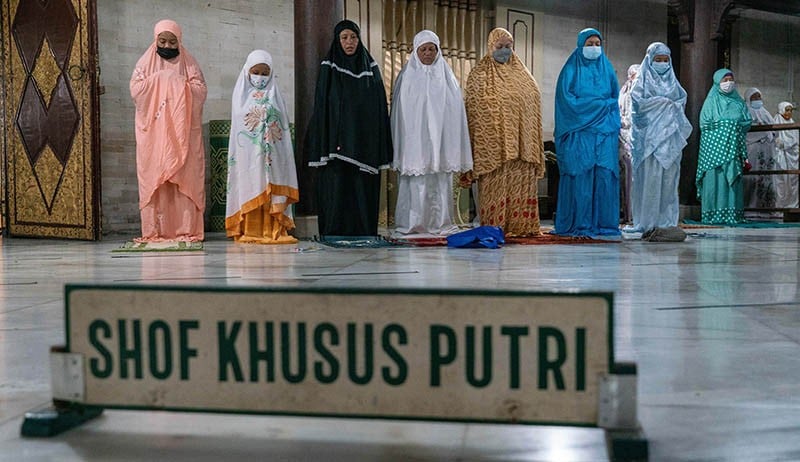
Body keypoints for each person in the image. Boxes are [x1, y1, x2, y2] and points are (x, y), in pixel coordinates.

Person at [305, 20, 392, 237]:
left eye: (353, 37)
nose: (349, 42)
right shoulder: (329, 67)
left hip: (364, 145)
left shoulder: (370, 69)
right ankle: (334, 232)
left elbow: (379, 106)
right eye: (344, 38)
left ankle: (364, 232)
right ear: (338, 40)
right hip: (335, 147)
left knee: (362, 190)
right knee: (337, 188)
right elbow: (323, 106)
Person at [462, 28, 545, 237]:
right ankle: (494, 228)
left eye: (508, 47)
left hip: (523, 151)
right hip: (493, 151)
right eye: (499, 46)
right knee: (494, 189)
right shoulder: (479, 75)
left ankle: (522, 227)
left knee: (521, 186)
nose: (504, 51)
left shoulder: (525, 76)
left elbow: (533, 108)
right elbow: (475, 111)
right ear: (490, 46)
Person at [130, 19, 207, 242]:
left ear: (179, 41)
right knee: (156, 179)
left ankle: (186, 229)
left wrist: (175, 82)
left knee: (184, 178)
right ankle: (155, 231)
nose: (167, 45)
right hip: (154, 137)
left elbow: (200, 91)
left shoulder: (189, 63)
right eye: (162, 41)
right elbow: (136, 90)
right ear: (155, 40)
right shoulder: (145, 63)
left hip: (184, 135)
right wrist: (163, 79)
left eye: (172, 42)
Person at [390, 30, 472, 236]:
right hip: (413, 142)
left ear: (438, 51)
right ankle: (412, 224)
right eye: (423, 49)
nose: (427, 53)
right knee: (415, 182)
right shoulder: (406, 77)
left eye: (431, 49)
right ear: (416, 51)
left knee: (439, 182)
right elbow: (399, 114)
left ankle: (440, 224)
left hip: (441, 142)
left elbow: (455, 113)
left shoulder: (448, 78)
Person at [226, 50, 299, 244]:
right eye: (256, 72)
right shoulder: (240, 97)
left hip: (272, 156)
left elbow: (282, 128)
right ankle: (250, 229)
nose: (260, 77)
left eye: (265, 73)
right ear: (247, 72)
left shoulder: (276, 97)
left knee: (272, 188)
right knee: (251, 184)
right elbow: (241, 125)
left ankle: (274, 228)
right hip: (249, 156)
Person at [553, 28, 621, 237]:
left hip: (605, 134)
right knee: (580, 176)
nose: (594, 48)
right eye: (590, 44)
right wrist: (598, 105)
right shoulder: (570, 69)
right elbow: (567, 101)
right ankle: (580, 223)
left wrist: (595, 106)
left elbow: (614, 99)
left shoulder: (607, 69)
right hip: (579, 133)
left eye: (597, 44)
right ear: (581, 45)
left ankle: (605, 224)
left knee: (604, 177)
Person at [627, 42, 692, 237]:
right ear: (649, 60)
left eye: (665, 60)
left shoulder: (675, 85)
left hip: (669, 142)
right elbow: (638, 107)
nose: (662, 63)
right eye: (658, 59)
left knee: (669, 182)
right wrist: (663, 103)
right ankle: (647, 222)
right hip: (649, 142)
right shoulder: (641, 84)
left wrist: (668, 106)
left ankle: (666, 223)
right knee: (649, 181)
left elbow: (680, 103)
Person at [696, 69, 752, 224]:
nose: (728, 83)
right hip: (713, 149)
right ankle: (712, 214)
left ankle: (733, 214)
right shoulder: (711, 101)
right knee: (715, 179)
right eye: (724, 80)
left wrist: (731, 126)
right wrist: (727, 126)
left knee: (732, 180)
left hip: (733, 147)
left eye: (730, 79)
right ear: (717, 82)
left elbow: (747, 121)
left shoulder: (739, 102)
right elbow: (704, 124)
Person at [743, 88, 777, 217]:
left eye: (759, 97)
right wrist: (763, 133)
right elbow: (745, 132)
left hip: (767, 149)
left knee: (766, 177)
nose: (758, 99)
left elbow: (774, 130)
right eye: (754, 97)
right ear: (748, 98)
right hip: (753, 149)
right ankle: (750, 208)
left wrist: (768, 134)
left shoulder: (765, 112)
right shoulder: (745, 112)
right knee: (752, 177)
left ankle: (766, 209)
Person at [618, 64, 640, 225]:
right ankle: (628, 214)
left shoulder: (642, 91)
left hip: (639, 138)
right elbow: (620, 112)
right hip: (624, 137)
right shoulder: (624, 91)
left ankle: (639, 214)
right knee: (627, 179)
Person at [773, 102, 799, 209]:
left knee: (793, 181)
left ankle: (792, 205)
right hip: (781, 156)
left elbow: (796, 141)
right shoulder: (776, 121)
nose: (789, 113)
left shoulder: (792, 123)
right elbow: (775, 139)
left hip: (792, 157)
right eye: (787, 110)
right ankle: (780, 206)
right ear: (781, 110)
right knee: (781, 181)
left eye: (791, 110)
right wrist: (781, 144)